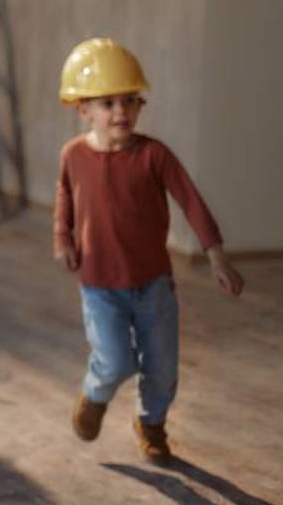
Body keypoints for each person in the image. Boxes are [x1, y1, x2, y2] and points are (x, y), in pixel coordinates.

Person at [55, 37, 244, 464]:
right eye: (107, 103)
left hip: (153, 284)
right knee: (115, 361)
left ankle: (151, 423)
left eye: (130, 100)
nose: (120, 111)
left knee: (162, 368)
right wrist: (63, 240)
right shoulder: (73, 156)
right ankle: (94, 393)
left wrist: (215, 253)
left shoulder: (154, 155)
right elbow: (65, 199)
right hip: (100, 286)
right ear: (82, 109)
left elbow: (191, 200)